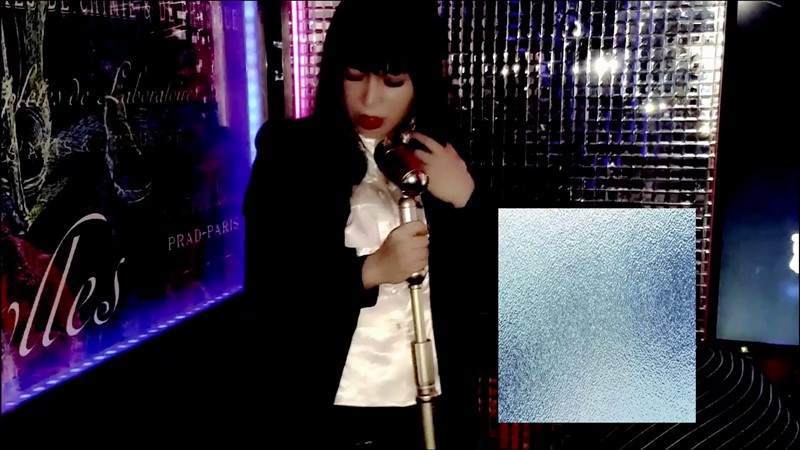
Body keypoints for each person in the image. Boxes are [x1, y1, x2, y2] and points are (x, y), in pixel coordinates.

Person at [242, 1, 496, 448]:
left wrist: (469, 201)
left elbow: (496, 290)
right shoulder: (290, 152)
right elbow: (270, 290)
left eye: (393, 81)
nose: (369, 100)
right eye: (354, 76)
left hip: (433, 409)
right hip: (329, 406)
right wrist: (370, 269)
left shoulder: (447, 152)